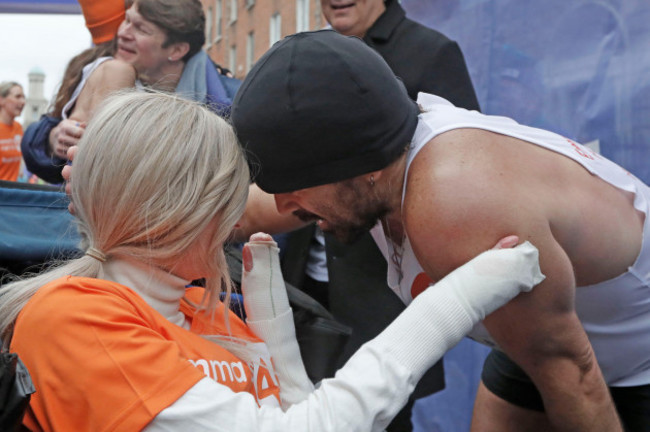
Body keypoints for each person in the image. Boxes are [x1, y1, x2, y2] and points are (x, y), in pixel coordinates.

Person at [0, 90, 543, 431]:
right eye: (228, 198)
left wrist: (278, 349)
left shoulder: (199, 306)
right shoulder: (74, 320)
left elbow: (287, 413)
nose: (241, 215)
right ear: (176, 212)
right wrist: (459, 298)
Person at [231, 30, 650, 431]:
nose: (286, 207)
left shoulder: (456, 199)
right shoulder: (372, 160)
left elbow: (571, 371)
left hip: (629, 360)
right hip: (546, 340)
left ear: (367, 168)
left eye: (296, 189)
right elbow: (246, 213)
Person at [281, 3, 480, 428]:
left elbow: (462, 167)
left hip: (382, 294)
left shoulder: (430, 51)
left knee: (381, 419)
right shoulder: (312, 55)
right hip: (306, 285)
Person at [21, 0, 239, 184]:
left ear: (177, 50)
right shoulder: (108, 71)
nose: (123, 33)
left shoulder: (233, 103)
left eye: (141, 29)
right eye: (126, 20)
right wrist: (54, 138)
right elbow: (64, 165)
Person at [0, 82, 25, 182]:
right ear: (1, 100)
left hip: (10, 193)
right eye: (17, 97)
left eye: (23, 97)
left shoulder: (18, 128)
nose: (23, 101)